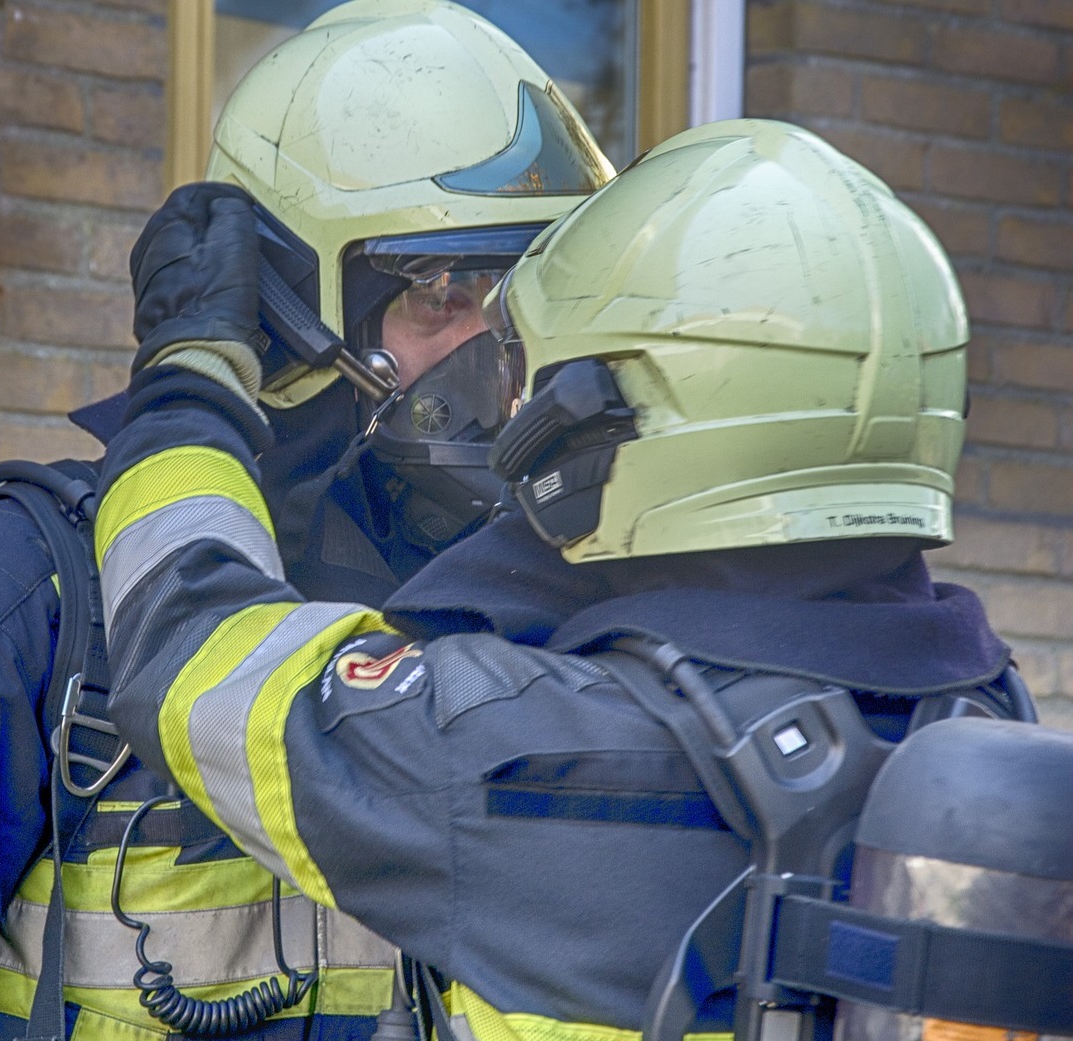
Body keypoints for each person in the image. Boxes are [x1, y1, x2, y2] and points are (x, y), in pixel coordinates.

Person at [0, 3, 614, 1040]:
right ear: (287, 304)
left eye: (517, 297)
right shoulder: (25, 587)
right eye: (441, 293)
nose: (495, 352)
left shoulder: (518, 601)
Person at [92, 117, 1025, 1041]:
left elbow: (196, 646)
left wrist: (190, 382)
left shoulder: (507, 742)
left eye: (537, 379)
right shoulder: (994, 727)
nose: (510, 409)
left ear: (611, 419)